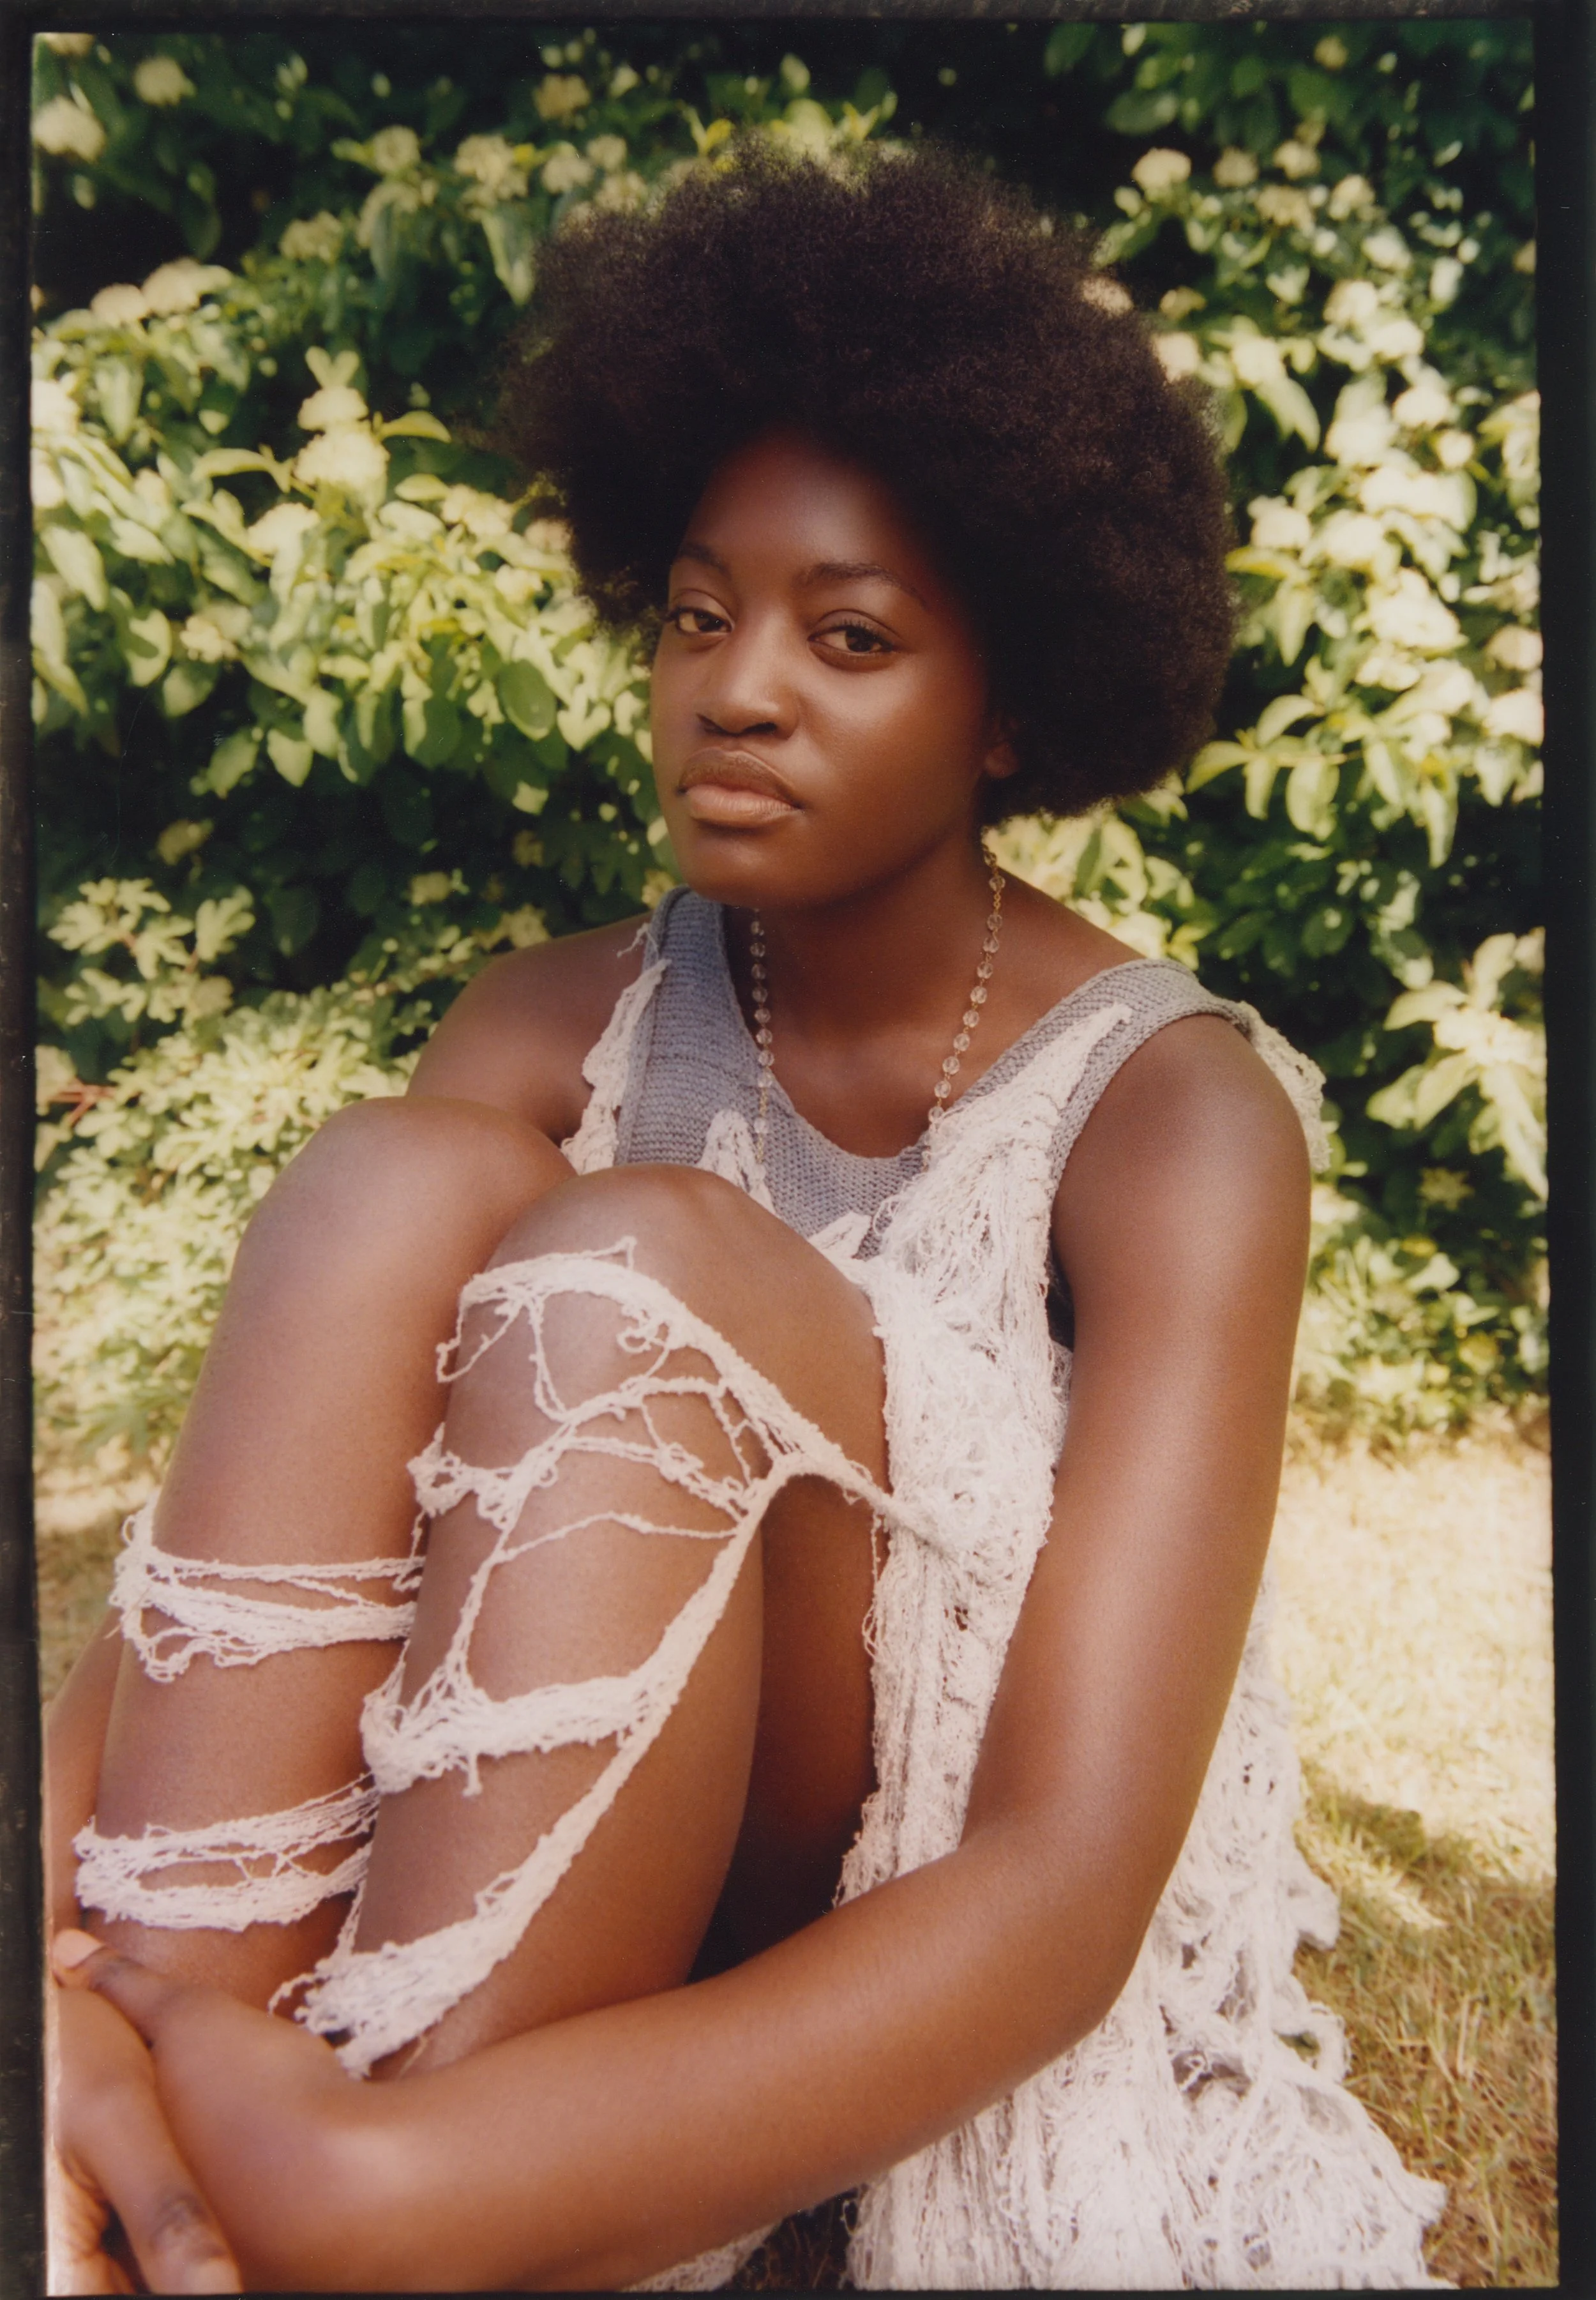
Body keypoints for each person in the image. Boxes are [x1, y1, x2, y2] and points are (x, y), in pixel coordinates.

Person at [45, 144, 1444, 2292]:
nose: (739, 686)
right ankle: (152, 2071)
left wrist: (395, 2193)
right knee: (387, 1178)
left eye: (850, 634)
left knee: (640, 1263)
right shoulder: (544, 1023)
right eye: (699, 613)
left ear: (1011, 711)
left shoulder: (1170, 1118)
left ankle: (392, 2166)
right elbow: (232, 1560)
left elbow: (1061, 1887)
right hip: (538, 1848)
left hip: (882, 1911)